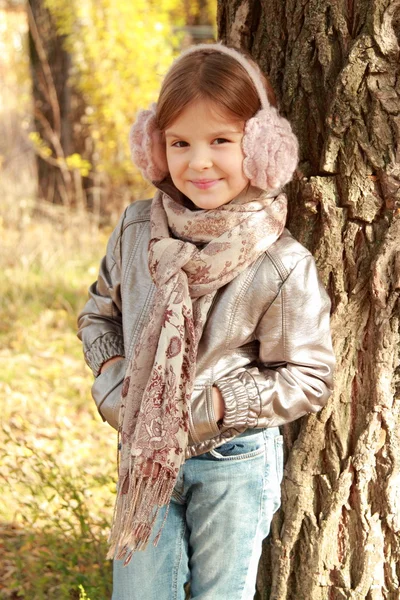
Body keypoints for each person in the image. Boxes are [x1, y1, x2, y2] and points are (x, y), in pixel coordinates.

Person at [77, 43, 335, 600]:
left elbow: (309, 374)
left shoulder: (281, 262)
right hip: (144, 457)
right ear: (155, 148)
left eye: (221, 141)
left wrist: (214, 405)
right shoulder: (137, 228)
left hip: (232, 460)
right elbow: (100, 315)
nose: (198, 161)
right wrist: (118, 386)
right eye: (180, 143)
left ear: (264, 149)